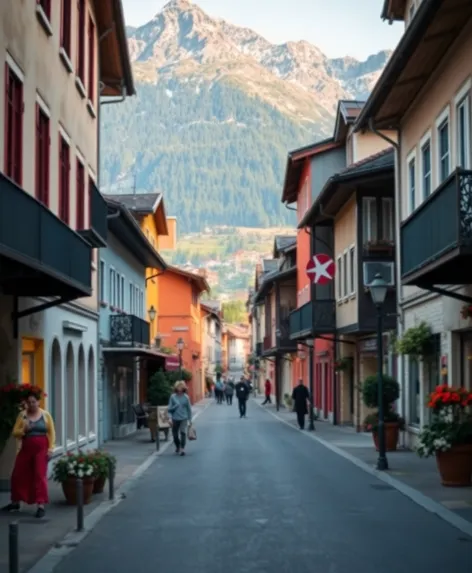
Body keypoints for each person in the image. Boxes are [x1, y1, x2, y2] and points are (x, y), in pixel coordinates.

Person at [3, 390, 56, 518]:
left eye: (34, 402)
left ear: (38, 402)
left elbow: (52, 433)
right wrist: (23, 430)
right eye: (29, 402)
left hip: (41, 449)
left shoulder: (45, 415)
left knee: (39, 475)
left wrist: (50, 450)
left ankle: (40, 505)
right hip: (26, 448)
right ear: (27, 403)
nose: (32, 404)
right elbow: (15, 432)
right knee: (18, 474)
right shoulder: (23, 415)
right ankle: (16, 502)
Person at [168, 381, 193, 456]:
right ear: (176, 388)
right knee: (175, 435)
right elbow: (169, 409)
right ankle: (178, 446)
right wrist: (169, 418)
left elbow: (189, 409)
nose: (179, 389)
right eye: (178, 387)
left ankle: (182, 448)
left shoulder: (186, 397)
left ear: (183, 388)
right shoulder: (173, 397)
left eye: (181, 387)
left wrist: (190, 420)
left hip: (183, 418)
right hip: (175, 418)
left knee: (183, 432)